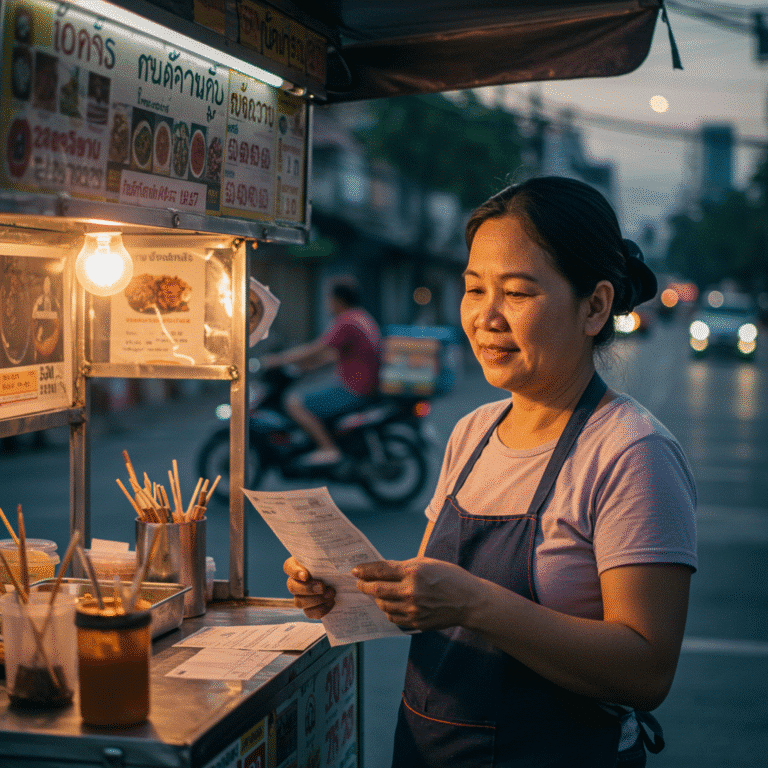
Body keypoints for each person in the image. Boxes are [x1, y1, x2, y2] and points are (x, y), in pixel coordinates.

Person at [284, 176, 698, 767]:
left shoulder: (631, 452)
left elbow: (646, 671)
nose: (486, 317)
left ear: (595, 306)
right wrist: (344, 588)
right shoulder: (472, 433)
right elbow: (431, 598)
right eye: (474, 289)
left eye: (519, 293)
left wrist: (476, 603)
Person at [261, 275, 382, 466]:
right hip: (364, 384)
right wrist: (307, 366)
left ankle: (327, 448)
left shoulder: (347, 321)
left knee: (294, 402)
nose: (327, 304)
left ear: (338, 300)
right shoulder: (362, 317)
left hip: (353, 388)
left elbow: (318, 348)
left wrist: (279, 359)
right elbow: (333, 354)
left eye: (329, 299)